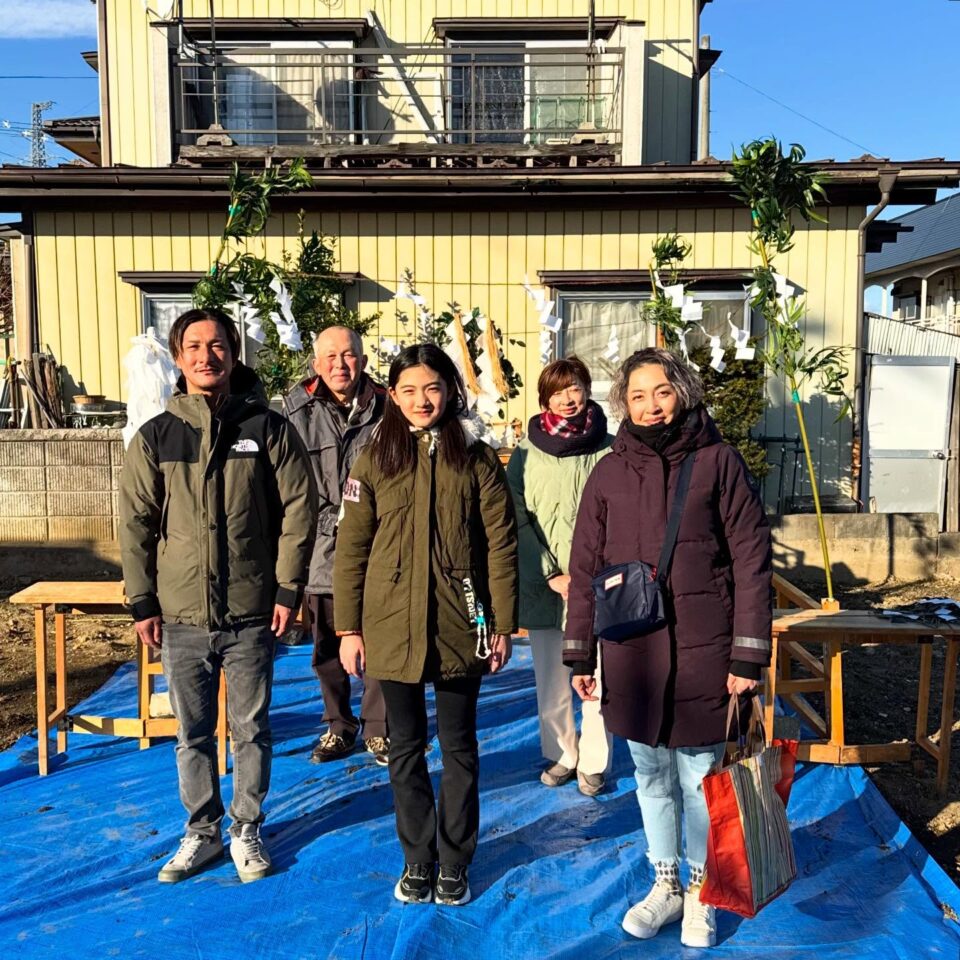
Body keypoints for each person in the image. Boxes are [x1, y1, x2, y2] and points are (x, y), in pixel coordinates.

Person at [564, 347, 772, 949]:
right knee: (649, 773)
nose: (651, 405)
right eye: (637, 395)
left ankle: (703, 894)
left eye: (661, 391)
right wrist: (580, 651)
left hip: (705, 647)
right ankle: (666, 883)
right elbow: (585, 567)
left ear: (681, 390)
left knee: (700, 776)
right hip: (632, 650)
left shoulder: (718, 462)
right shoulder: (608, 471)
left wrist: (747, 654)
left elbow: (752, 560)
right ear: (622, 404)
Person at [119, 308, 316, 885]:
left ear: (234, 353)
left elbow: (298, 511)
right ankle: (201, 831)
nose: (207, 356)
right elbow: (134, 522)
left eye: (218, 346)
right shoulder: (157, 436)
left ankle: (246, 827)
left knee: (252, 728)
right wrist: (142, 600)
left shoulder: (268, 428)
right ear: (179, 359)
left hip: (252, 607)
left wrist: (286, 587)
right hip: (180, 612)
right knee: (192, 732)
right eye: (195, 347)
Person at [333, 344, 518, 907]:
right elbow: (351, 549)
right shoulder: (374, 458)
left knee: (460, 747)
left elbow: (501, 548)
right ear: (392, 395)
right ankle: (418, 858)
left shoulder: (477, 460)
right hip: (390, 627)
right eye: (409, 390)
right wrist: (349, 628)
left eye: (432, 388)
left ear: (450, 391)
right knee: (405, 747)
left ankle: (455, 859)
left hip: (464, 623)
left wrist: (503, 624)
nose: (421, 400)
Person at [506, 357, 613, 797]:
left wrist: (596, 571)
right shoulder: (526, 453)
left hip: (598, 584)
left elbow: (622, 515)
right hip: (545, 584)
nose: (568, 399)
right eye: (558, 392)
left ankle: (593, 760)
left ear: (587, 390)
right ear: (544, 399)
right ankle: (562, 753)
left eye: (575, 389)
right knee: (551, 677)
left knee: (599, 679)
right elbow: (514, 514)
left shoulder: (611, 448)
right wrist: (548, 570)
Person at [283, 326, 389, 765]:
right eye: (330, 356)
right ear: (315, 363)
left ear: (363, 361)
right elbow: (286, 486)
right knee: (327, 644)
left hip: (378, 544)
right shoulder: (295, 411)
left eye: (348, 355)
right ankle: (338, 725)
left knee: (380, 640)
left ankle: (380, 729)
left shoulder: (388, 407)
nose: (339, 364)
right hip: (321, 550)